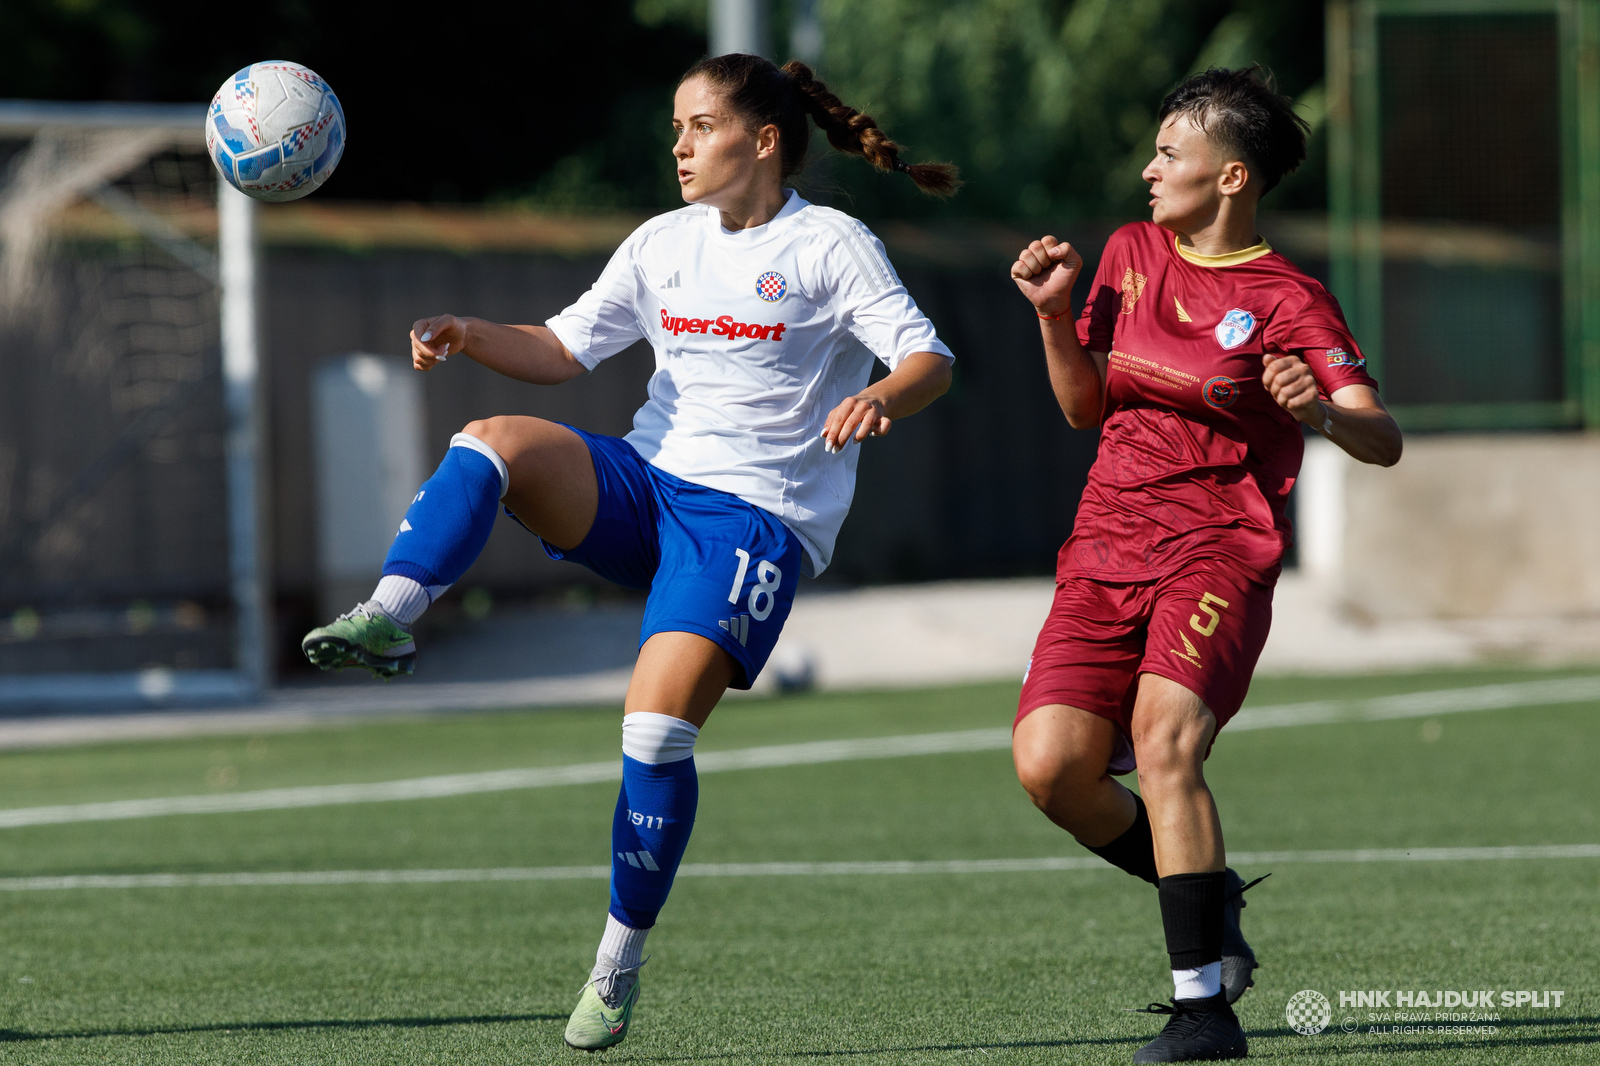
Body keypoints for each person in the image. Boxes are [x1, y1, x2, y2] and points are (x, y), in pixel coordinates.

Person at [300, 53, 958, 1051]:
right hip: (644, 486)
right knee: (492, 439)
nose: (679, 145)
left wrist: (879, 394)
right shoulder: (663, 242)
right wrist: (469, 329)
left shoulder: (830, 244)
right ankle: (390, 616)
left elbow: (929, 357)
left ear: (764, 141)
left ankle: (616, 964)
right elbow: (565, 351)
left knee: (653, 734)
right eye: (677, 128)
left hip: (750, 519)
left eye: (699, 126)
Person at [1007, 67, 1401, 1063]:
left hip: (1217, 545)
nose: (1148, 169)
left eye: (1169, 153)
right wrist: (1054, 312)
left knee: (1163, 740)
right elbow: (1082, 406)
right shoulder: (1131, 254)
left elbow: (1381, 436)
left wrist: (1313, 411)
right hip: (1105, 538)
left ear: (1230, 177)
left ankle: (1202, 1014)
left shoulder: (1287, 297)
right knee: (1050, 767)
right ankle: (1208, 892)